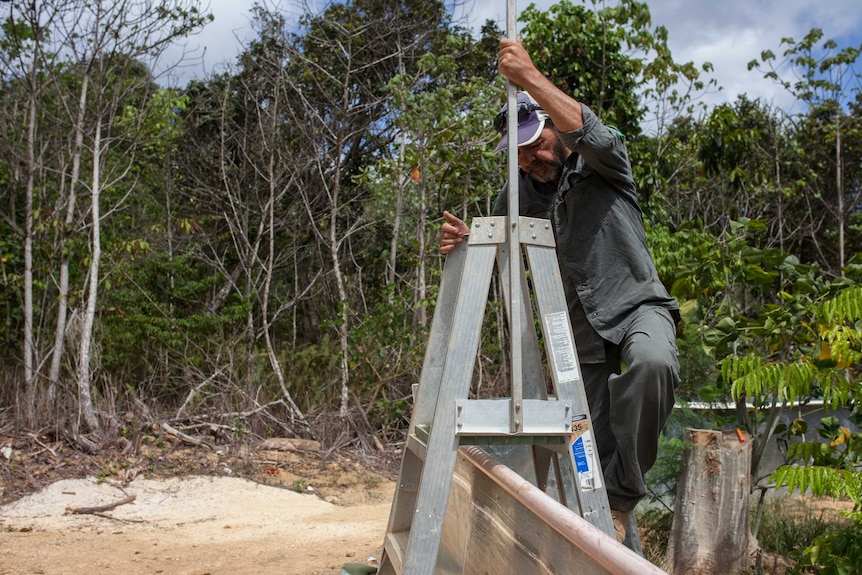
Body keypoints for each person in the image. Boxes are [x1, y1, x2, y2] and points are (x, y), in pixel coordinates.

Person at [440, 38, 680, 544]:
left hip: (636, 306)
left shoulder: (602, 162)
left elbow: (590, 131)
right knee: (586, 459)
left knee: (653, 364)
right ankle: (615, 542)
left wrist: (528, 76)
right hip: (579, 335)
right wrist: (465, 240)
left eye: (534, 144)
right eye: (518, 153)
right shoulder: (520, 189)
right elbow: (495, 236)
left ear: (552, 126)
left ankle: (622, 496)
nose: (528, 159)